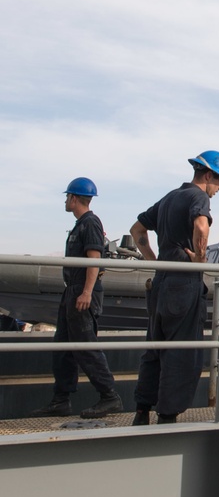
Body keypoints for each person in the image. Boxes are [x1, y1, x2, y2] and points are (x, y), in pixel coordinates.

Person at [129, 150, 219, 425]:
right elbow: (201, 227)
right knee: (181, 351)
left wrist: (156, 261)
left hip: (161, 283)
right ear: (207, 175)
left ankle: (142, 411)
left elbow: (137, 231)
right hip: (183, 284)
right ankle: (167, 417)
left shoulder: (169, 197)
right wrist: (199, 258)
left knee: (155, 348)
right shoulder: (198, 197)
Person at [31, 178, 122, 419]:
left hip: (82, 291)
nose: (65, 201)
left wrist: (86, 292)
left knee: (85, 346)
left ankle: (109, 396)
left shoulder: (90, 223)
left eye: (67, 197)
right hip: (72, 290)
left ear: (73, 198)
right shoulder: (81, 224)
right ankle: (60, 400)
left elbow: (93, 259)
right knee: (63, 348)